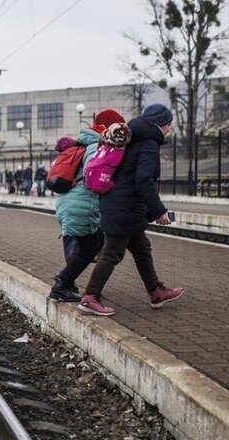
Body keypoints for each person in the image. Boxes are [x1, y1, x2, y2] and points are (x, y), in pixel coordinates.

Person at [79, 104, 184, 316]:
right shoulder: (148, 144)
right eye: (168, 125)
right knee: (111, 254)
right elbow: (144, 181)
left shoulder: (131, 137)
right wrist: (159, 211)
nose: (169, 129)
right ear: (160, 125)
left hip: (121, 203)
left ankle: (155, 291)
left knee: (142, 249)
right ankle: (90, 297)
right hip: (124, 206)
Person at [50, 109, 126, 302]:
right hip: (81, 203)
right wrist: (109, 184)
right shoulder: (95, 145)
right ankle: (61, 285)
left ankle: (65, 282)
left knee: (89, 247)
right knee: (89, 249)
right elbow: (93, 175)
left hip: (70, 202)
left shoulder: (84, 142)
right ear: (109, 127)